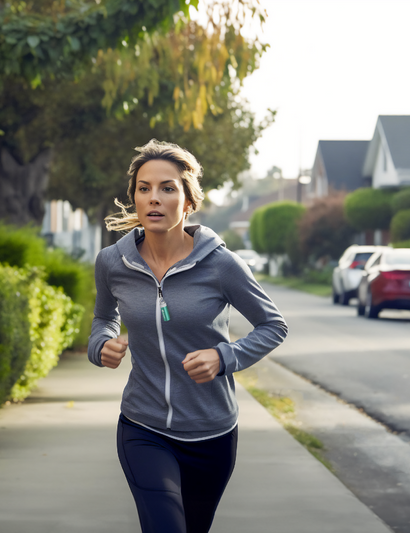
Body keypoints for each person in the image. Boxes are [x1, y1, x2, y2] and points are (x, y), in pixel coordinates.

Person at [88, 139, 288, 533]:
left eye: (167, 188)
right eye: (144, 189)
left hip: (211, 431)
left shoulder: (221, 265)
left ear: (189, 200)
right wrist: (102, 345)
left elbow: (273, 325)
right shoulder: (113, 262)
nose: (154, 199)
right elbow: (102, 318)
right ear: (134, 198)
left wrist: (224, 356)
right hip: (143, 427)